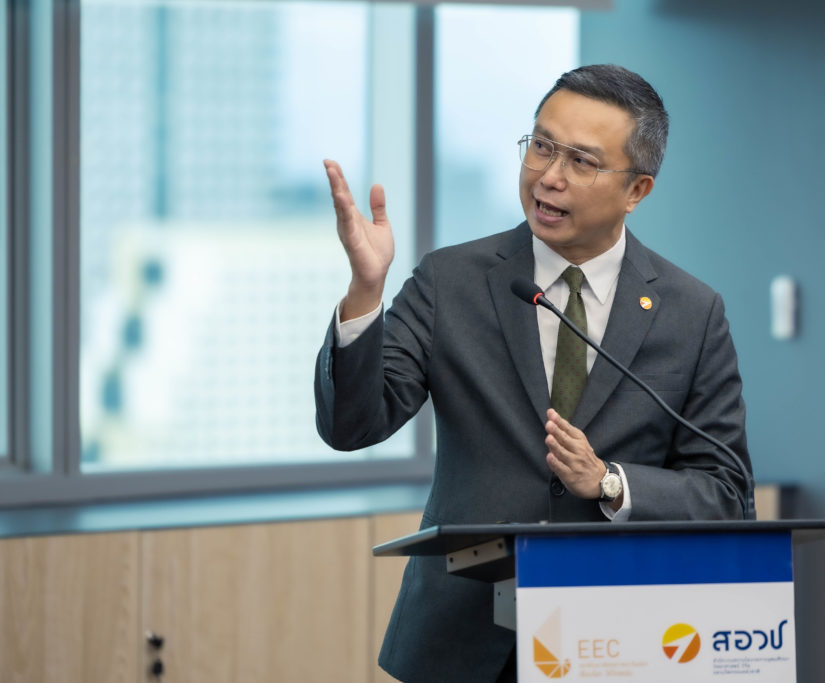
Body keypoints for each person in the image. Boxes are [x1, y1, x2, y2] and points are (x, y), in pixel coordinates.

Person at [314, 64, 752, 683]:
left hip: (622, 642)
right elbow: (351, 426)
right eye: (542, 146)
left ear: (637, 190)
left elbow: (727, 494)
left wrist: (611, 483)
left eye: (581, 160)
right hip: (462, 640)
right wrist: (365, 291)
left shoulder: (692, 313)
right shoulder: (450, 281)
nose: (549, 175)